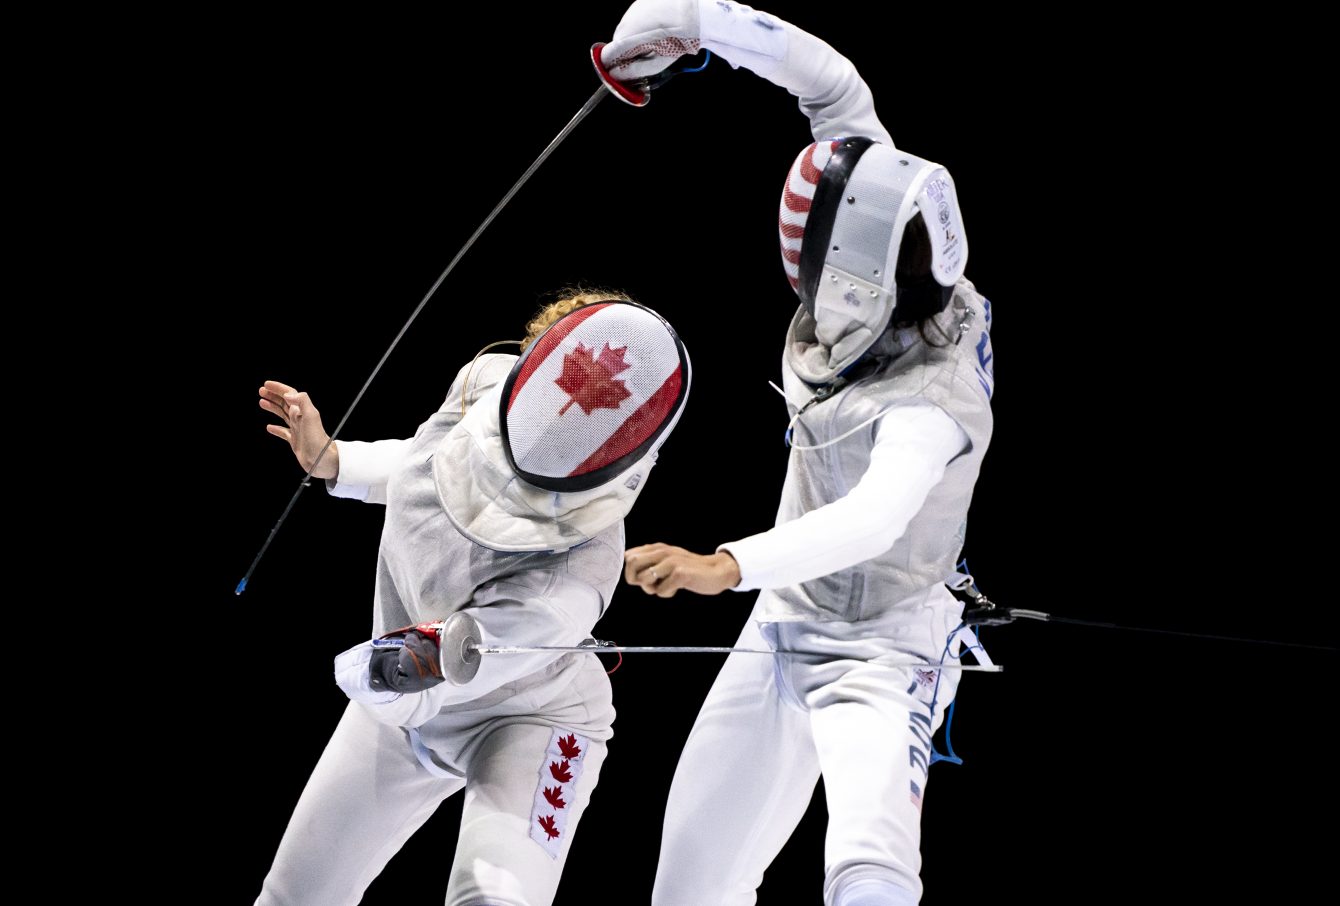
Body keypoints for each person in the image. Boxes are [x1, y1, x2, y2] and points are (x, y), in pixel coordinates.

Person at [597, 3, 996, 904]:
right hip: (784, 621)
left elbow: (873, 517)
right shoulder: (888, 220)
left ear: (852, 276)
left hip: (886, 647)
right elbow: (829, 82)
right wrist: (692, 23)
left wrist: (723, 565)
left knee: (870, 869)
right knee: (691, 883)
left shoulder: (931, 401)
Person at [253, 290, 691, 906]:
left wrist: (396, 664)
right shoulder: (482, 383)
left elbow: (458, 659)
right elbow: (429, 461)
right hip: (407, 709)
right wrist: (336, 460)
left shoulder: (583, 567)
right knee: (294, 898)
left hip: (531, 719)